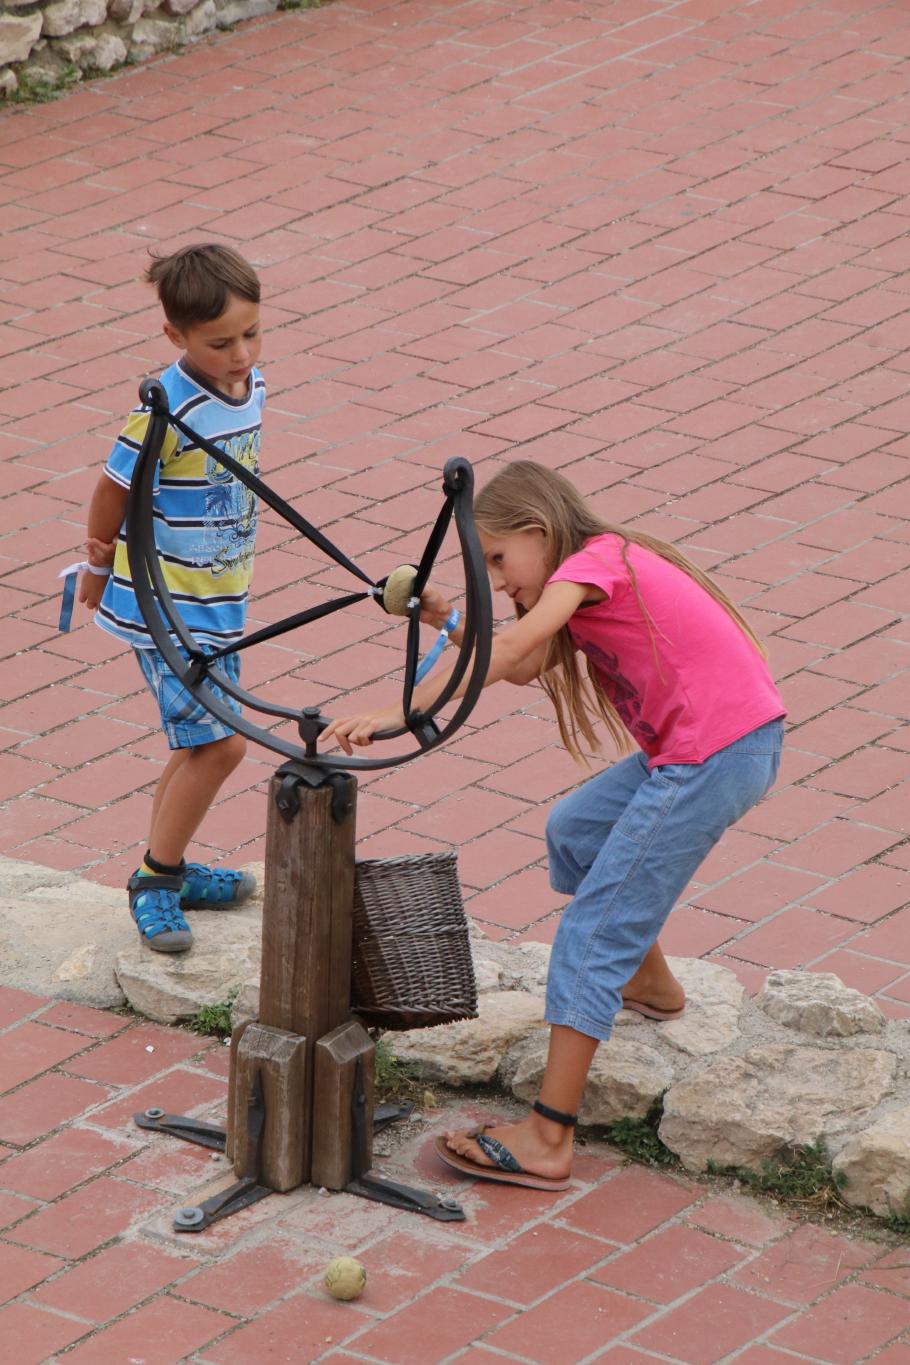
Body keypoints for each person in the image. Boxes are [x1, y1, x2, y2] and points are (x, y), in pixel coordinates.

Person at [325, 459, 785, 1190]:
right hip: (713, 746)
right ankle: (655, 987)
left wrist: (400, 713)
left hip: (714, 755)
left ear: (539, 530)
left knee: (592, 931)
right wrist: (445, 615)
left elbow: (508, 649)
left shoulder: (595, 561)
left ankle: (548, 1135)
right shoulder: (585, 575)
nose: (500, 581)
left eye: (501, 561)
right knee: (574, 829)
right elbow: (524, 658)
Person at [78, 243, 266, 955]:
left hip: (218, 601)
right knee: (221, 745)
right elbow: (111, 488)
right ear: (176, 338)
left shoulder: (250, 387)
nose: (241, 353)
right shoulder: (168, 406)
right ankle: (157, 880)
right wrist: (97, 567)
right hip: (166, 609)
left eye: (252, 333)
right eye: (220, 342)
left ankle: (169, 863)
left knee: (197, 745)